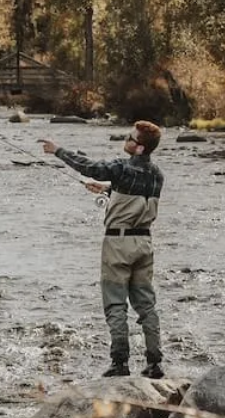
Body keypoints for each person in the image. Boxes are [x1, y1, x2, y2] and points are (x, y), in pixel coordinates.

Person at [39, 121, 165, 379]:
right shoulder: (157, 175)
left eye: (130, 137)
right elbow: (135, 196)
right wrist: (108, 189)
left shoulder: (120, 168)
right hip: (144, 244)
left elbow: (89, 167)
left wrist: (57, 151)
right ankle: (154, 363)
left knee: (116, 303)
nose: (126, 139)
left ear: (139, 147)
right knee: (146, 306)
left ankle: (120, 363)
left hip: (118, 244)